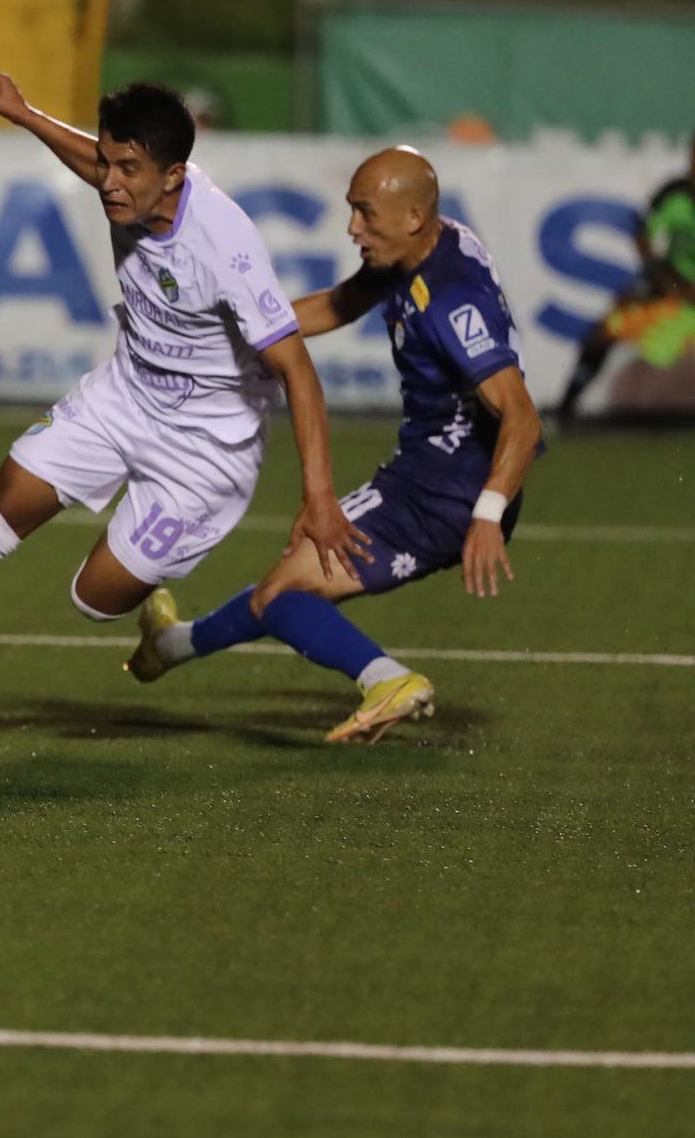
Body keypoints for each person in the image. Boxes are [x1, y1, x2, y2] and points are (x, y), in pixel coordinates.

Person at [0, 67, 365, 721]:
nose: (108, 181)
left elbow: (298, 372)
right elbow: (97, 160)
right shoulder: (129, 187)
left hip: (205, 452)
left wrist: (319, 498)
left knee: (94, 598)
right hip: (123, 397)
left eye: (128, 168)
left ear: (174, 177)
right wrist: (24, 113)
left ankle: (150, 598)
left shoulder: (225, 245)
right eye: (105, 162)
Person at [127, 147, 545, 742]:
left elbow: (523, 419)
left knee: (280, 593)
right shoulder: (427, 245)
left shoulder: (451, 300)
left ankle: (387, 679)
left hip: (443, 493)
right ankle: (167, 647)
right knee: (283, 589)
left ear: (412, 217)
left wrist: (486, 515)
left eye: (365, 214)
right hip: (440, 483)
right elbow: (338, 304)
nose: (352, 227)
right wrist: (231, 335)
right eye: (353, 210)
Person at [553, 134, 695, 425]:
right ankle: (565, 408)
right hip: (675, 294)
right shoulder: (674, 194)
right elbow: (644, 234)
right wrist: (659, 277)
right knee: (604, 330)